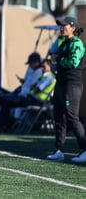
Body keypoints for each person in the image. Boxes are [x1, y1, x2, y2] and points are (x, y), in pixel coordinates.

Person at [46, 16, 86, 162]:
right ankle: (59, 150)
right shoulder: (64, 43)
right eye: (60, 26)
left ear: (73, 28)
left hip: (72, 85)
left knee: (72, 117)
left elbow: (73, 62)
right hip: (61, 83)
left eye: (64, 26)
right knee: (59, 117)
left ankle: (84, 149)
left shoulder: (76, 42)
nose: (61, 28)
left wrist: (58, 60)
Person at [0, 52, 43, 133]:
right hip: (22, 95)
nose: (30, 66)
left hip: (27, 98)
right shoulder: (34, 72)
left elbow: (33, 88)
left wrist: (22, 90)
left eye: (31, 63)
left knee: (4, 100)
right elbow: (29, 85)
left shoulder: (39, 72)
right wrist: (23, 84)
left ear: (36, 62)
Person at [0, 58, 56, 130]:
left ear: (50, 67)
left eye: (44, 67)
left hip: (37, 101)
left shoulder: (48, 77)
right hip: (33, 99)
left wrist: (34, 87)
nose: (42, 69)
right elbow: (33, 87)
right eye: (42, 67)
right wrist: (34, 87)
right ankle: (6, 125)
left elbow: (37, 89)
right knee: (8, 101)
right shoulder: (44, 77)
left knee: (8, 101)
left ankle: (4, 125)